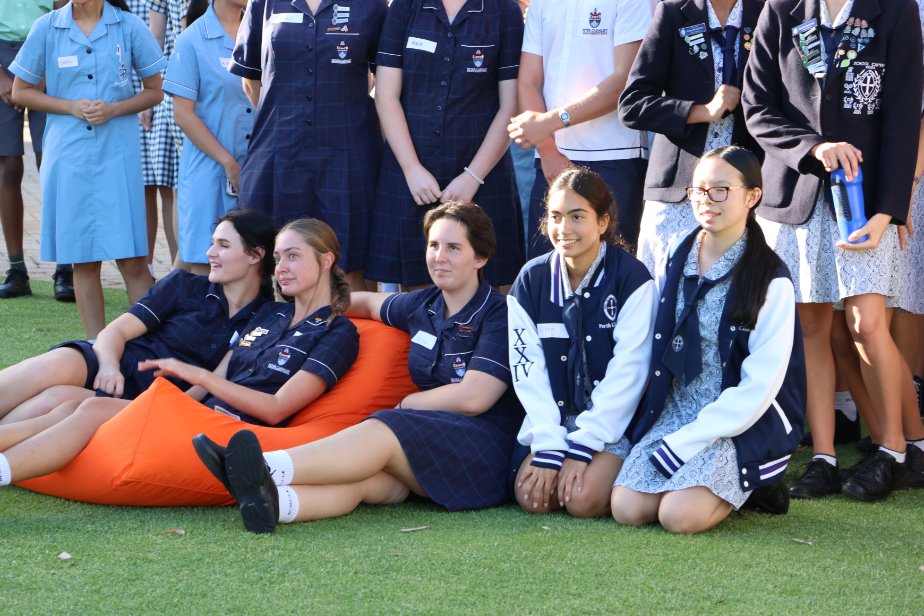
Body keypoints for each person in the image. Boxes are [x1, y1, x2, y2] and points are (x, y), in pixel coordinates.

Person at [192, 202, 524, 533]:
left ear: (480, 258)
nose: (439, 256)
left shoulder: (499, 313)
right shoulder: (421, 305)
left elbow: (475, 397)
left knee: (386, 426)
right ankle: (277, 506)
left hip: (484, 448)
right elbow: (363, 302)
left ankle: (263, 466)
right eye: (434, 245)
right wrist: (311, 303)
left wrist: (408, 404)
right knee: (368, 482)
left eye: (454, 248)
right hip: (431, 441)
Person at [0, 216, 359, 487]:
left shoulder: (331, 329)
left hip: (213, 422)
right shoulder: (269, 312)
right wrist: (172, 392)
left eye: (293, 257)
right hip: (167, 397)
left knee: (85, 405)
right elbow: (217, 372)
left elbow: (273, 404)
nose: (282, 268)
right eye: (280, 258)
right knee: (65, 395)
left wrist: (191, 379)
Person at [742, 0, 923, 502]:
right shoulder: (781, 9)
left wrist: (891, 208)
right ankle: (823, 456)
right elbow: (758, 108)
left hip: (867, 203)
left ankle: (893, 450)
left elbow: (906, 112)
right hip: (795, 194)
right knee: (809, 326)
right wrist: (812, 149)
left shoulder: (896, 9)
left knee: (867, 323)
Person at [611, 146, 806, 534]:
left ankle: (755, 484)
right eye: (698, 190)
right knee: (627, 508)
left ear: (752, 196)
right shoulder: (677, 254)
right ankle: (726, 485)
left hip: (735, 420)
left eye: (720, 190)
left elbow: (761, 386)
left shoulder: (771, 278)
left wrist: (686, 443)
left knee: (678, 517)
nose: (706, 200)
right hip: (676, 407)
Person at [0, 209, 273, 426]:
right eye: (213, 243)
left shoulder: (267, 319)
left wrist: (161, 410)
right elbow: (114, 333)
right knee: (54, 366)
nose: (210, 253)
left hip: (147, 398)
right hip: (113, 363)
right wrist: (108, 366)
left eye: (223, 245)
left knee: (55, 399)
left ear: (255, 255)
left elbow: (208, 386)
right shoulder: (185, 285)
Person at [9, 0, 166, 339]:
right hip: (68, 156)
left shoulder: (128, 25)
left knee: (134, 259)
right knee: (83, 259)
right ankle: (97, 350)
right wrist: (69, 106)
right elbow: (21, 91)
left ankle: (145, 347)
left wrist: (115, 109)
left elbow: (155, 90)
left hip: (118, 154)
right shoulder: (47, 27)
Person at [507, 167, 656, 517]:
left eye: (578, 217)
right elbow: (527, 371)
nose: (564, 229)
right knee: (534, 499)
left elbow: (629, 371)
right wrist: (548, 444)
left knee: (581, 500)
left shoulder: (632, 278)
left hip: (610, 423)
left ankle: (615, 471)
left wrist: (584, 446)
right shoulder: (531, 280)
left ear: (603, 222)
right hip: (553, 421)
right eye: (555, 217)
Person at [230, 0, 387, 290]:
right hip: (279, 154)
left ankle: (347, 335)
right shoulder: (264, 3)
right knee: (272, 266)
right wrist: (285, 120)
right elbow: (251, 80)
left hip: (348, 156)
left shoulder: (372, 5)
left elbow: (387, 80)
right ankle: (278, 335)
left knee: (349, 267)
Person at [366, 0, 525, 289]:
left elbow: (510, 106)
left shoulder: (504, 11)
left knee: (488, 290)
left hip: (483, 175)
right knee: (416, 292)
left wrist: (473, 176)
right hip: (411, 175)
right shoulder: (404, 7)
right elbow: (386, 95)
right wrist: (412, 169)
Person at [619, 0, 764, 275]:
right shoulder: (674, 12)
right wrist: (700, 111)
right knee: (662, 294)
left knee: (733, 299)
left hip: (741, 194)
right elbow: (632, 105)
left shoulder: (765, 14)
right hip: (678, 189)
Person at [508, 0, 651, 255]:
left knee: (611, 273)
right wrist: (548, 151)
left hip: (615, 157)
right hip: (551, 162)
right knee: (546, 274)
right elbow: (528, 81)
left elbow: (624, 81)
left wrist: (550, 122)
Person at [164, 0, 252, 275]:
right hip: (209, 171)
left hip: (256, 169)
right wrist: (228, 162)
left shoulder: (262, 30)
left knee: (255, 267)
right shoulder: (192, 40)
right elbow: (183, 115)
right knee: (207, 271)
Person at [0, 0, 73, 301]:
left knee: (54, 165)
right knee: (7, 165)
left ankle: (66, 267)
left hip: (48, 54)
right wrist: (4, 80)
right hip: (1, 59)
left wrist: (38, 80)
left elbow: (66, 13)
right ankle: (17, 268)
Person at [145, 0, 187, 269]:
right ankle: (180, 272)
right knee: (177, 186)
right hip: (177, 86)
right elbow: (155, 38)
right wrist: (149, 96)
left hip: (231, 80)